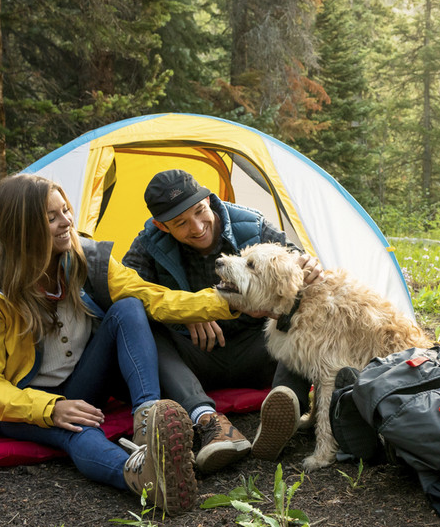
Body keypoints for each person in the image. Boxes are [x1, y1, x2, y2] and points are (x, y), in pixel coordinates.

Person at [0, 173, 237, 513]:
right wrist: (50, 409)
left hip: (81, 382)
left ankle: (148, 422)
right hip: (20, 402)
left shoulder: (84, 257)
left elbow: (155, 299)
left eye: (65, 210)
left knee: (129, 308)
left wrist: (230, 301)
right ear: (22, 228)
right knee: (77, 431)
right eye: (51, 217)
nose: (67, 222)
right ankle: (145, 479)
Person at [122, 169, 314, 471]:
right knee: (141, 328)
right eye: (180, 223)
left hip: (261, 349)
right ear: (161, 225)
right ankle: (209, 422)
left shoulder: (252, 226)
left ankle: (286, 403)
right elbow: (121, 296)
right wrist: (186, 314)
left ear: (209, 200)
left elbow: (295, 264)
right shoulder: (147, 245)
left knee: (301, 307)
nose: (197, 227)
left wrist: (308, 264)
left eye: (200, 212)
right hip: (196, 359)